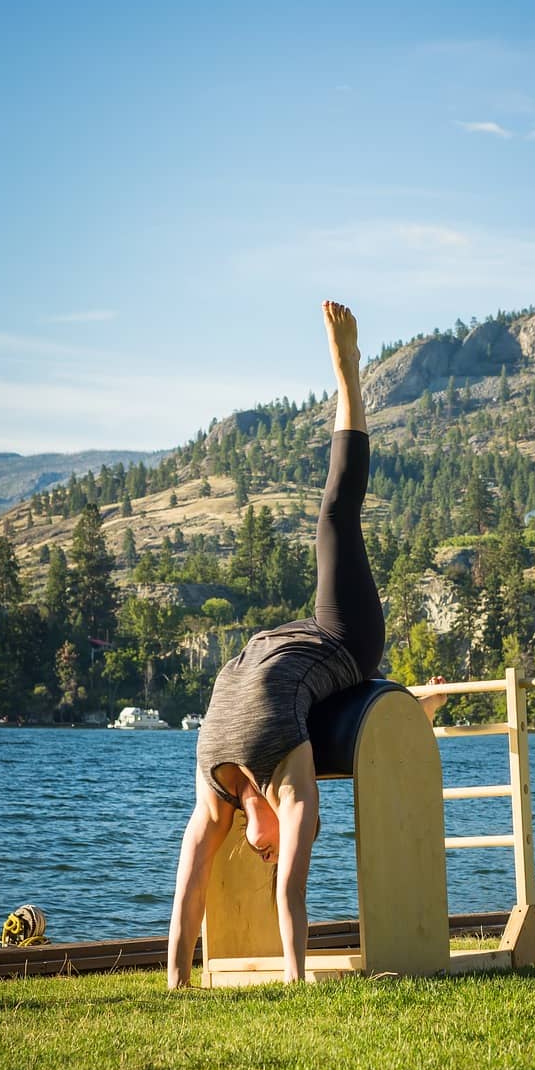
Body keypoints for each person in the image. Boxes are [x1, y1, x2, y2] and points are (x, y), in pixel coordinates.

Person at [167, 301, 445, 988]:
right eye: (272, 853)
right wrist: (191, 979)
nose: (271, 854)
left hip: (311, 645)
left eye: (260, 852)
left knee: (333, 514)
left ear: (243, 827)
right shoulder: (272, 786)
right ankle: (348, 379)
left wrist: (190, 977)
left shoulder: (218, 782)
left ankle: (347, 375)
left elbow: (228, 889)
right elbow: (208, 893)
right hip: (341, 641)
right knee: (331, 518)